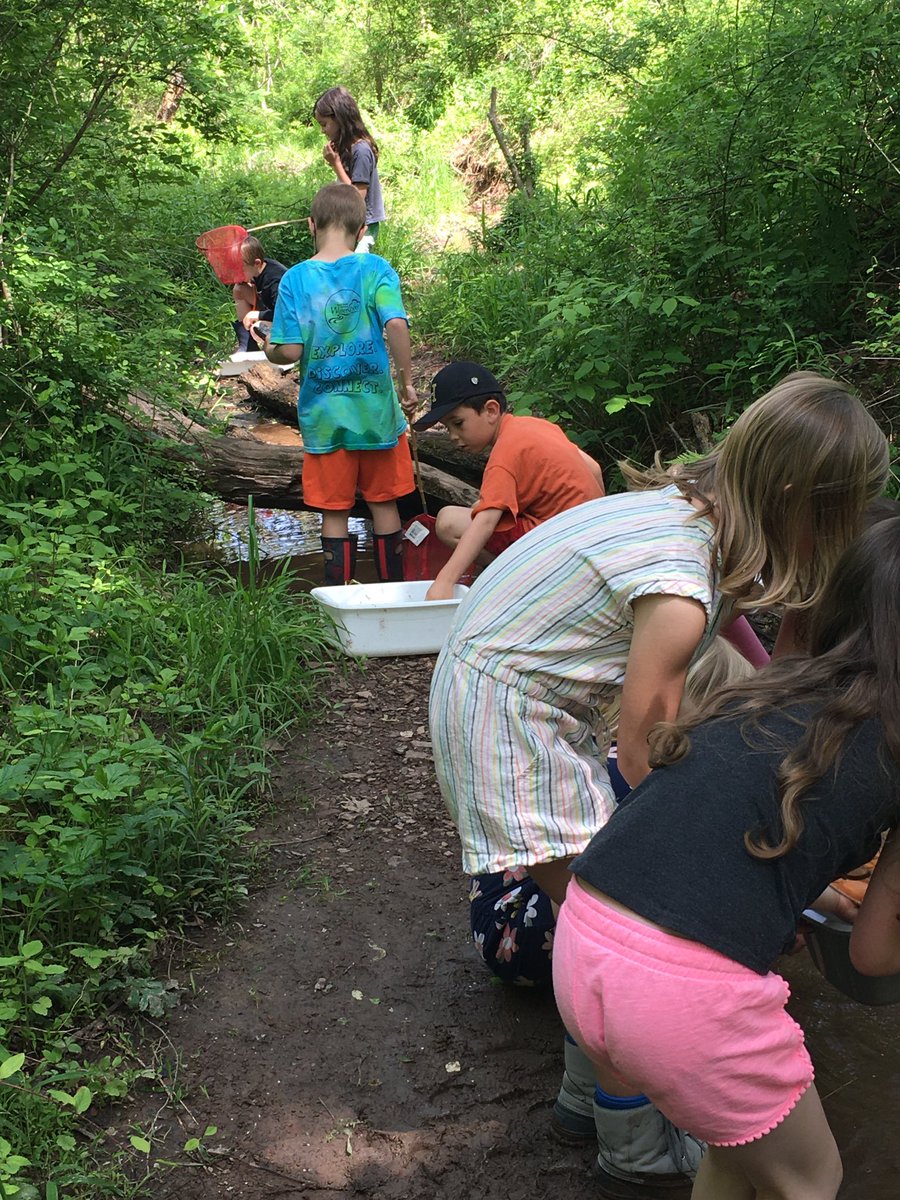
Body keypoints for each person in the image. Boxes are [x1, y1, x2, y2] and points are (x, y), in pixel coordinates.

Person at [428, 372, 888, 1196]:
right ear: (794, 499)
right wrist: (716, 874)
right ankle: (634, 1140)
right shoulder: (679, 590)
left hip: (495, 685)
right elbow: (644, 757)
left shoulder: (684, 516)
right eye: (837, 515)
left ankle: (582, 1097)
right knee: (618, 915)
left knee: (602, 928)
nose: (839, 536)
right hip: (510, 717)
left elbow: (744, 631)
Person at [552, 516, 900, 1200]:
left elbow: (715, 831)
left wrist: (794, 900)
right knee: (811, 1175)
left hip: (585, 937)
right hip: (681, 998)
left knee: (741, 1144)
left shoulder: (767, 693)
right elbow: (874, 956)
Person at [469, 636, 756, 992]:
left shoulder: (615, 755)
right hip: (518, 928)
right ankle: (610, 999)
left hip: (505, 915)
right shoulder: (628, 779)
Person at [264, 184, 419, 583]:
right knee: (385, 505)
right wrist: (407, 385)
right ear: (362, 225)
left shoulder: (295, 279)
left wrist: (268, 349)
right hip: (377, 417)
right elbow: (397, 324)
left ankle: (339, 609)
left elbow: (291, 351)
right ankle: (394, 598)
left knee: (335, 512)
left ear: (312, 225)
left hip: (324, 418)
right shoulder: (375, 269)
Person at [410, 360, 606, 600]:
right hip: (590, 540)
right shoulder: (535, 426)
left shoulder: (504, 453)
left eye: (458, 423)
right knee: (477, 508)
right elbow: (594, 469)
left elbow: (485, 523)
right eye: (447, 427)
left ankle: (511, 582)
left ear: (491, 410)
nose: (452, 436)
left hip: (558, 549)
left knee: (448, 521)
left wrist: (444, 581)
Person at [314, 87, 384, 252]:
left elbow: (357, 196)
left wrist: (335, 163)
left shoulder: (361, 150)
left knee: (355, 267)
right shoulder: (348, 148)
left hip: (364, 225)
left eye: (325, 124)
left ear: (340, 119)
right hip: (352, 221)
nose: (323, 130)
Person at [232, 236, 286, 354]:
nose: (237, 273)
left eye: (241, 269)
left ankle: (280, 349)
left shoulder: (274, 281)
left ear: (256, 263)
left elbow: (284, 313)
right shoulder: (258, 270)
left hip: (287, 320)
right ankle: (247, 344)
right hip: (270, 307)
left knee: (258, 327)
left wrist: (259, 314)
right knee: (239, 289)